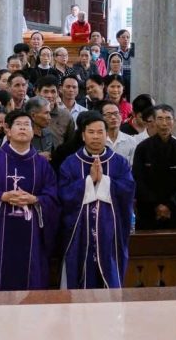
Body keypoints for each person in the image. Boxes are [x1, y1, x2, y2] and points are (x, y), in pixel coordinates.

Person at [0, 109, 60, 291]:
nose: (23, 128)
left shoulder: (42, 165)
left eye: (27, 125)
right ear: (8, 130)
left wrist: (35, 199)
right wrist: (2, 196)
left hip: (32, 231)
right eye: (18, 125)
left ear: (33, 131)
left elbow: (52, 196)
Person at [58, 111, 134, 288]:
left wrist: (104, 181)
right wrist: (89, 181)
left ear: (107, 135)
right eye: (91, 132)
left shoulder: (119, 163)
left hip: (110, 232)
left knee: (109, 277)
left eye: (100, 132)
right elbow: (63, 194)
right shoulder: (70, 163)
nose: (96, 137)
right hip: (79, 233)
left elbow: (128, 190)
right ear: (83, 136)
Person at [131, 105, 176, 230]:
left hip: (174, 212)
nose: (164, 123)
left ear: (174, 122)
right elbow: (138, 180)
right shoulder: (142, 148)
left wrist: (170, 205)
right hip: (147, 212)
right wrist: (156, 206)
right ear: (153, 122)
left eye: (168, 118)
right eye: (160, 118)